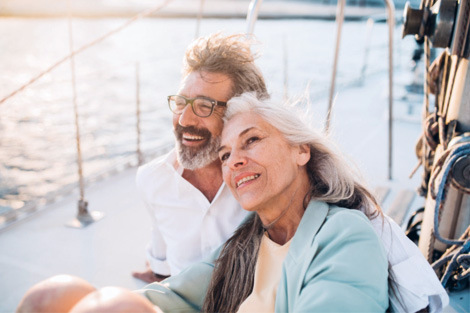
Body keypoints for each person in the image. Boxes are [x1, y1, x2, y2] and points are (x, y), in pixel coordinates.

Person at [137, 92, 389, 312]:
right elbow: (175, 296)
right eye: (225, 154)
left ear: (301, 150)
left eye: (252, 140)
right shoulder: (245, 244)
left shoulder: (345, 234)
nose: (234, 160)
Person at [132, 32, 268, 283]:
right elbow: (163, 266)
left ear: (241, 113)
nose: (184, 120)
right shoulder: (152, 179)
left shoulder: (268, 177)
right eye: (181, 103)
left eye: (204, 106)